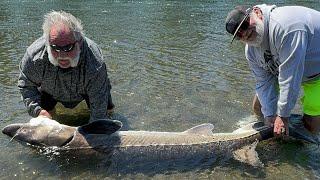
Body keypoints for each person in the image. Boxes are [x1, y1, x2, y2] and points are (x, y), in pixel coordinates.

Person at [225, 4, 320, 135]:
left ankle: (309, 147)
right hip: (287, 70)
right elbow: (264, 82)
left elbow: (291, 77)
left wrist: (283, 116)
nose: (244, 34)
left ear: (257, 13)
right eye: (238, 35)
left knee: (311, 125)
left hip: (316, 74)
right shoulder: (251, 52)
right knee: (259, 106)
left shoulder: (286, 28)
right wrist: (270, 116)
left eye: (244, 26)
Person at [18, 10, 114, 122]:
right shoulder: (34, 57)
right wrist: (38, 111)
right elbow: (26, 86)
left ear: (79, 42)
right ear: (47, 42)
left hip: (87, 90)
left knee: (106, 112)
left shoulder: (95, 63)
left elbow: (98, 113)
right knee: (44, 115)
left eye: (68, 48)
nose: (62, 55)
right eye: (55, 48)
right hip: (49, 91)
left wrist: (95, 132)